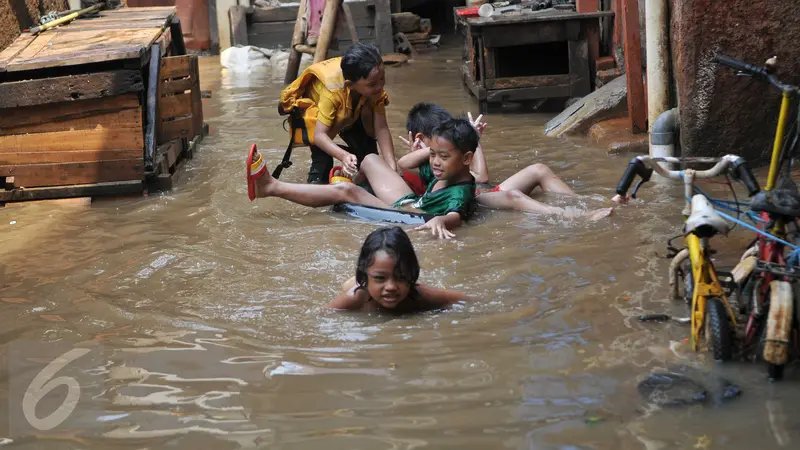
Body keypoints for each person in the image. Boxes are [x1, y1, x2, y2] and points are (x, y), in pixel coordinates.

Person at [246, 117, 479, 239]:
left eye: (443, 156)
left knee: (347, 192)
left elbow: (455, 216)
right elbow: (404, 164)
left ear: (467, 158)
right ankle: (355, 191)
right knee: (369, 159)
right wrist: (432, 149)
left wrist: (440, 221)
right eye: (432, 155)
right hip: (410, 203)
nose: (435, 162)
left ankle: (270, 187)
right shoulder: (445, 169)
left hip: (410, 216)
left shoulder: (462, 189)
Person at [397, 103, 613, 221]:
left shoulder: (452, 156)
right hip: (479, 196)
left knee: (539, 169)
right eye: (435, 146)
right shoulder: (425, 162)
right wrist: (434, 152)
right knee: (515, 196)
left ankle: (585, 200)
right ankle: (581, 214)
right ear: (421, 138)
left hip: (480, 193)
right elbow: (481, 178)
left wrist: (472, 140)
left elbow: (479, 179)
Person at [276, 43, 397, 184]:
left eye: (382, 78)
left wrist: (392, 168)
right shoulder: (332, 92)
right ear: (350, 85)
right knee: (322, 166)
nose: (380, 86)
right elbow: (320, 136)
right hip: (320, 121)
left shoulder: (374, 88)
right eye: (372, 84)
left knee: (369, 157)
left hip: (351, 112)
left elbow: (381, 128)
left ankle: (359, 183)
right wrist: (343, 156)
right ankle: (317, 185)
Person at [329, 226, 467, 312]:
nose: (391, 287)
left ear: (412, 273)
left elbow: (470, 300)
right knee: (350, 285)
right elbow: (322, 315)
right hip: (358, 285)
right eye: (380, 278)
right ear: (365, 275)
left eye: (401, 277)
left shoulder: (420, 295)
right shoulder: (355, 299)